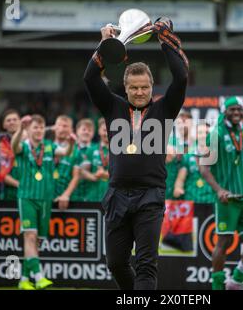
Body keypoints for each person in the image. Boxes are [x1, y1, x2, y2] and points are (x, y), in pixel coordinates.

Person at [83, 19, 188, 290]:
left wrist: (165, 38)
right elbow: (90, 78)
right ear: (125, 87)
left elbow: (181, 76)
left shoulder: (165, 109)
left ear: (152, 86)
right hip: (117, 195)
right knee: (116, 263)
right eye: (134, 87)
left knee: (145, 265)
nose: (139, 92)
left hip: (150, 195)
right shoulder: (112, 106)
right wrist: (105, 46)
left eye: (144, 87)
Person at [199, 96, 243, 290]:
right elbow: (204, 168)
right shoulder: (215, 134)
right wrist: (219, 190)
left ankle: (237, 279)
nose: (236, 112)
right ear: (224, 111)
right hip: (227, 199)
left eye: (239, 109)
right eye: (232, 109)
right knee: (224, 242)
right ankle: (218, 287)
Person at [12, 114, 74, 290]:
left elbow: (66, 152)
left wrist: (71, 143)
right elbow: (13, 146)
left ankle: (24, 280)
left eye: (41, 127)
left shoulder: (49, 146)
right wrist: (20, 129)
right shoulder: (23, 145)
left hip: (46, 198)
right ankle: (39, 277)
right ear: (29, 130)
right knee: (30, 236)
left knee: (36, 241)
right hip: (27, 197)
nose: (38, 130)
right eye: (35, 127)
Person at [173, 122, 214, 203]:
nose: (204, 135)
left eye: (207, 132)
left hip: (212, 200)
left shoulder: (218, 156)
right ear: (196, 136)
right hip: (192, 200)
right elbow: (181, 178)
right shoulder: (188, 156)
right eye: (200, 132)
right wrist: (178, 188)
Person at [52, 115, 81, 209]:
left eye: (65, 126)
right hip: (45, 196)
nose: (62, 129)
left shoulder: (76, 150)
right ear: (54, 128)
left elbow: (76, 176)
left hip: (68, 199)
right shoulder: (45, 146)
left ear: (71, 130)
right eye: (59, 125)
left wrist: (65, 195)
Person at [80, 118, 110, 202]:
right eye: (104, 130)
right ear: (99, 131)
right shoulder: (91, 149)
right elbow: (82, 171)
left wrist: (104, 174)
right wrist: (92, 176)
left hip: (113, 198)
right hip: (92, 197)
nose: (107, 133)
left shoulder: (118, 151)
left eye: (109, 129)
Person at [0, 109, 22, 201]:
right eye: (8, 120)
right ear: (3, 125)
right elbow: (0, 171)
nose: (12, 122)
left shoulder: (31, 141)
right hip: (7, 192)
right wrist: (19, 184)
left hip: (30, 192)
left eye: (15, 119)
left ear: (20, 122)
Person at [71, 118, 95, 202]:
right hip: (72, 195)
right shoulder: (70, 149)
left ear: (93, 134)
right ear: (77, 131)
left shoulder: (97, 150)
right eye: (84, 129)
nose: (86, 132)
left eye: (89, 130)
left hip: (91, 196)